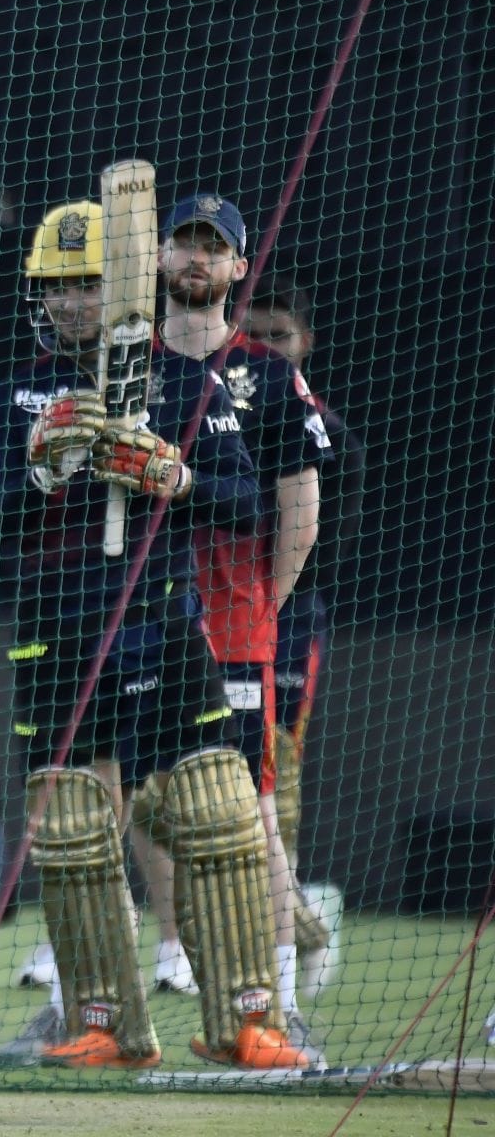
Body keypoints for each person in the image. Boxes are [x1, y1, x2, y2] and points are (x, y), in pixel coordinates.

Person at [0, 199, 309, 1072]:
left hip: (164, 619)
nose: (70, 304)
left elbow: (244, 501)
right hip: (54, 631)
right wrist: (38, 474)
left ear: (120, 284)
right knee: (75, 826)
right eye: (55, 287)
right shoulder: (17, 391)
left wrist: (176, 473)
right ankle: (101, 1020)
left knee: (220, 814)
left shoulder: (189, 382)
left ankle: (249, 1018)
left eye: (87, 285)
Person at [154, 195, 333, 1064]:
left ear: (236, 269)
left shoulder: (266, 372)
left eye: (212, 249)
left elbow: (300, 503)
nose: (196, 259)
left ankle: (284, 999)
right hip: (128, 624)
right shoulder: (121, 365)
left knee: (251, 808)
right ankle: (159, 973)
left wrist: (262, 607)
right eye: (183, 243)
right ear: (156, 257)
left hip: (230, 627)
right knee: (134, 807)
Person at [239, 275, 363, 971]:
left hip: (286, 619)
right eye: (253, 334)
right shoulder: (207, 410)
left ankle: (286, 946)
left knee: (273, 779)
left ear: (305, 343)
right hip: (209, 612)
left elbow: (323, 543)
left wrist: (271, 602)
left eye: (278, 336)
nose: (265, 348)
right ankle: (298, 929)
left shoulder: (333, 438)